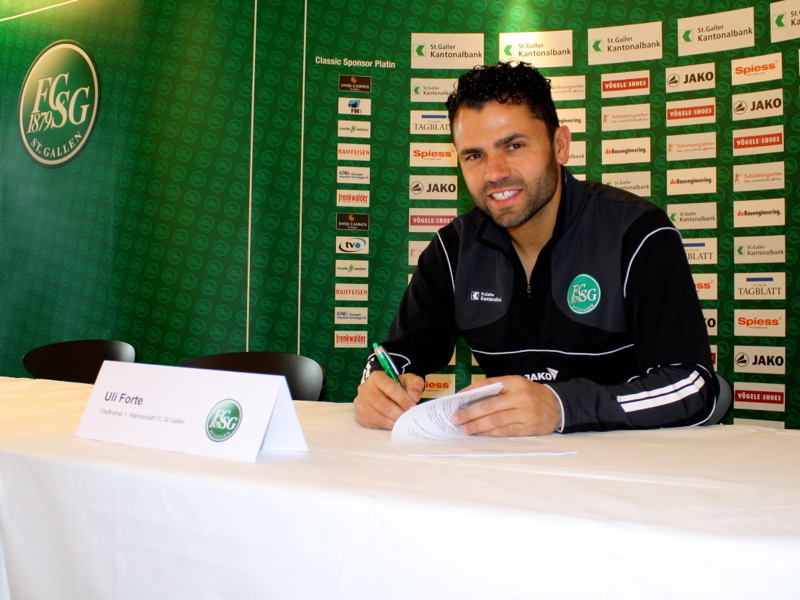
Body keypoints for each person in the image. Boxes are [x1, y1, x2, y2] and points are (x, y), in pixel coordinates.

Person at [354, 61, 717, 435]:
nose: (494, 172)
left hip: (630, 462)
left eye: (514, 146)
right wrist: (378, 385)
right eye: (474, 155)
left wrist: (561, 407)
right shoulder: (454, 249)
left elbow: (694, 385)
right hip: (509, 463)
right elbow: (395, 357)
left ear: (560, 145)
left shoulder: (636, 232)